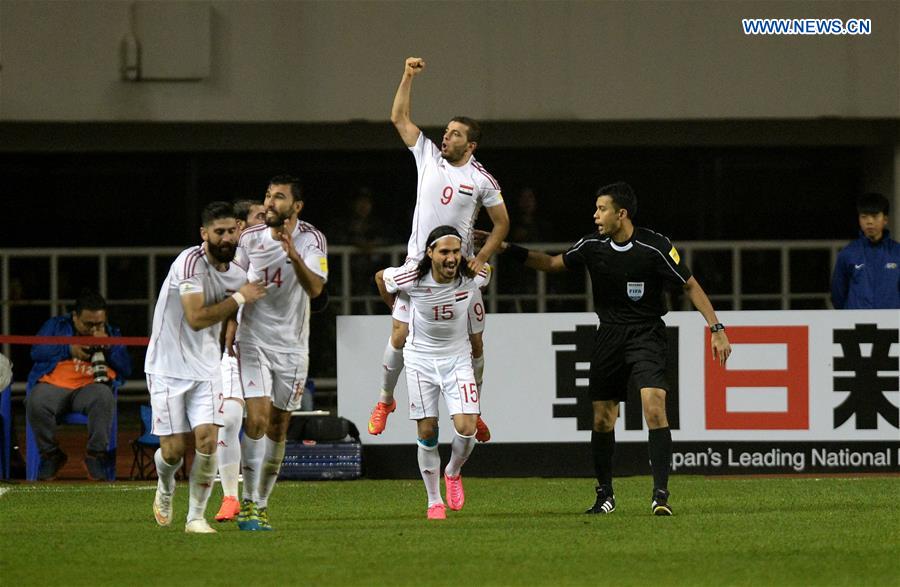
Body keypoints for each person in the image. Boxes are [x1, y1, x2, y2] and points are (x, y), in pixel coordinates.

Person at [492, 181, 731, 516]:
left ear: (622, 214)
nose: (595, 215)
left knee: (654, 405)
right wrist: (505, 248)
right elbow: (551, 263)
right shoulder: (593, 245)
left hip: (647, 333)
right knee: (603, 418)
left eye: (601, 209)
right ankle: (605, 494)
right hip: (609, 336)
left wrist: (716, 329)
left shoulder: (655, 246)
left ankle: (660, 496)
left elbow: (689, 284)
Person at [368, 56, 510, 442]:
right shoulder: (428, 156)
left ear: (471, 144)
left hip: (457, 269)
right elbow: (399, 118)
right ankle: (385, 400)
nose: (446, 137)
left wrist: (481, 258)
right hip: (419, 265)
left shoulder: (481, 179)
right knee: (400, 334)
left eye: (455, 134)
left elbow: (502, 223)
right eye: (446, 131)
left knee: (475, 342)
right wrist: (407, 75)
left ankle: (474, 408)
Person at [145, 201, 266, 533]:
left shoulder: (238, 274)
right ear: (204, 234)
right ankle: (165, 486)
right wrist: (239, 299)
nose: (225, 238)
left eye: (230, 231)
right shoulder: (189, 263)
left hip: (208, 367)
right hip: (167, 366)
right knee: (173, 451)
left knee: (208, 441)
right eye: (218, 232)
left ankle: (195, 517)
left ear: (238, 231)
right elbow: (196, 318)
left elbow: (240, 305)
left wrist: (235, 321)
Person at [232, 174, 328, 531]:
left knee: (278, 425)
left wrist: (293, 256)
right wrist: (229, 321)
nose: (270, 203)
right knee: (256, 419)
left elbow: (315, 289)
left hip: (291, 347)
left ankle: (261, 503)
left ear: (296, 206)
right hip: (253, 338)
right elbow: (232, 281)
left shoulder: (312, 239)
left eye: (279, 197)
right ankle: (247, 502)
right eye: (268, 195)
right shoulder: (249, 238)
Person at [375, 226, 491, 520]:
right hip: (421, 360)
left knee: (467, 428)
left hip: (457, 358)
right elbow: (380, 277)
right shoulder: (412, 278)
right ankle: (434, 501)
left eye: (456, 251)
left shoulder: (473, 275)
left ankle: (452, 472)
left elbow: (486, 269)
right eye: (444, 252)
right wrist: (395, 308)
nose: (451, 258)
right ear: (430, 253)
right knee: (427, 431)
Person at [26, 289, 132, 481]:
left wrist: (110, 346)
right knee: (35, 400)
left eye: (99, 323)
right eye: (88, 324)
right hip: (55, 385)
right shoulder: (56, 325)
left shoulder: (111, 333)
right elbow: (37, 351)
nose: (93, 329)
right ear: (75, 317)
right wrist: (68, 349)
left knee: (104, 396)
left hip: (90, 388)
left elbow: (127, 368)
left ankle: (95, 455)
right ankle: (51, 454)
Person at [213, 198, 267, 523]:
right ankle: (230, 496)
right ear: (241, 226)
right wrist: (231, 320)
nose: (266, 219)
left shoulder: (275, 253)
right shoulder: (224, 262)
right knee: (230, 418)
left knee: (261, 424)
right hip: (235, 351)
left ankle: (255, 497)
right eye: (259, 216)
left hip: (269, 351)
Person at [831, 192, 900, 309]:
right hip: (857, 320)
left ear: (885, 219)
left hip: (892, 320)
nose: (869, 222)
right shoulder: (848, 253)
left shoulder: (897, 252)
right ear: (859, 219)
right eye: (864, 217)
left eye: (875, 216)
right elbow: (838, 295)